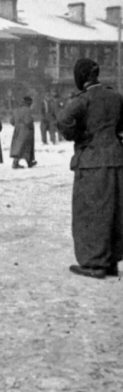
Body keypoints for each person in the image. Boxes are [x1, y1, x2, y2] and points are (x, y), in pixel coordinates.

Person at [56, 58, 123, 279]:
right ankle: (111, 261)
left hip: (92, 164)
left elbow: (64, 121)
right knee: (114, 212)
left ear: (81, 78)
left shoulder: (81, 101)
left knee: (91, 213)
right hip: (117, 161)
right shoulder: (115, 96)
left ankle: (94, 263)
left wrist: (80, 137)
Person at [9, 96, 37, 169]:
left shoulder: (16, 110)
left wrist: (17, 125)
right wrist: (30, 126)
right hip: (26, 130)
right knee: (25, 147)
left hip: (18, 130)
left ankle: (28, 162)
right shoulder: (27, 110)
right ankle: (16, 163)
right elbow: (28, 121)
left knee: (19, 146)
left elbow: (11, 121)